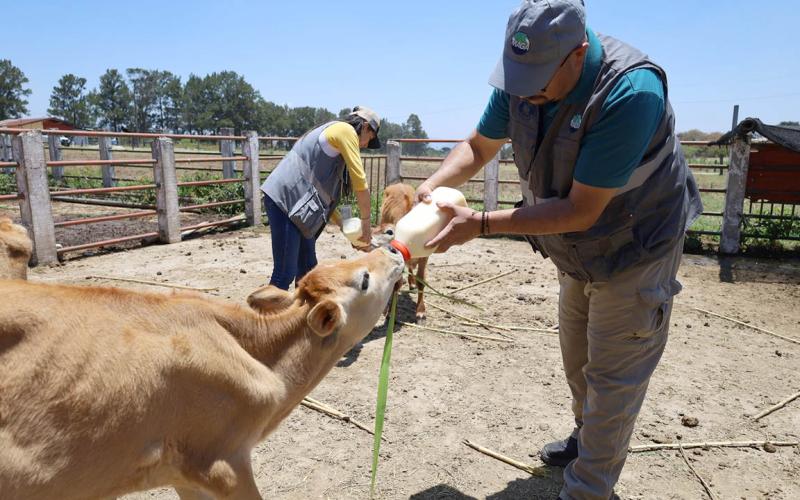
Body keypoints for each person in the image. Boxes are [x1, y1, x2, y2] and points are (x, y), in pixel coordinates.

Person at [416, 1, 702, 499]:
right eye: (518, 75)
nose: (527, 90)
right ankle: (583, 436)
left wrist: (480, 224)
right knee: (578, 355)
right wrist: (434, 184)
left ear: (579, 53)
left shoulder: (630, 92)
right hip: (576, 250)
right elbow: (480, 145)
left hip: (636, 243)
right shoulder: (525, 78)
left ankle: (589, 489)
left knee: (614, 373)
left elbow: (581, 209)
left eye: (539, 77)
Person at [261, 106, 381, 290]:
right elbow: (361, 183)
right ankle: (265, 318)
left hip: (298, 210)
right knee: (284, 273)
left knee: (309, 269)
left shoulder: (338, 144)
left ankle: (301, 316)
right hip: (285, 200)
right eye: (369, 139)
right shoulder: (345, 131)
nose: (365, 145)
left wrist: (349, 231)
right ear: (365, 126)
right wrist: (366, 223)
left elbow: (326, 197)